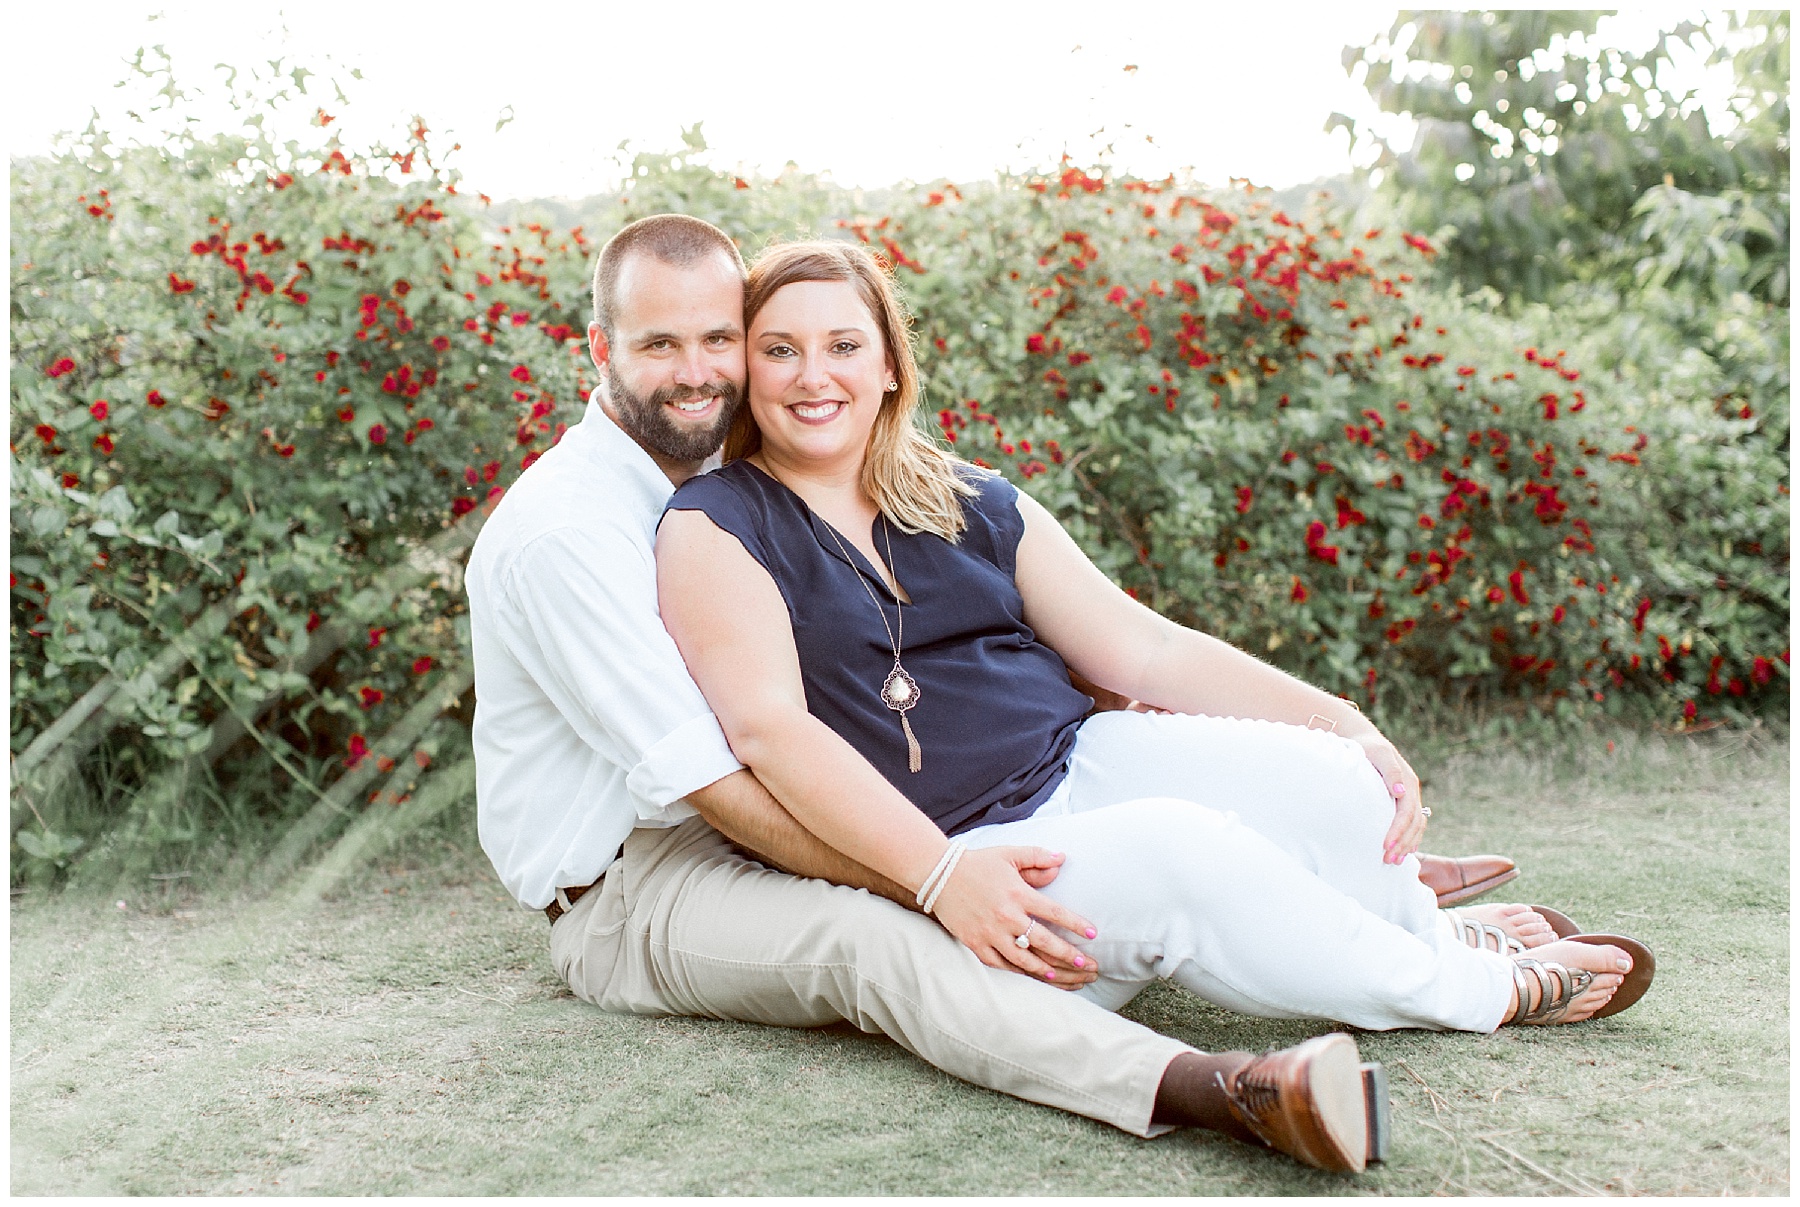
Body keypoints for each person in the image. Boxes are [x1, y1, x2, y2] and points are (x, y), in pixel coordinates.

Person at [655, 240, 1654, 1064]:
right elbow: (770, 732)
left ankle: (1423, 929)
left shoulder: (967, 496)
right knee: (1188, 852)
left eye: (842, 344)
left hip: (1076, 762)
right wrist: (939, 875)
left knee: (1336, 779)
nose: (813, 375)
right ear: (748, 371)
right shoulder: (717, 524)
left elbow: (1145, 648)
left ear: (888, 365)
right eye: (780, 350)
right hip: (967, 850)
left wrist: (1349, 724)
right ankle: (1474, 988)